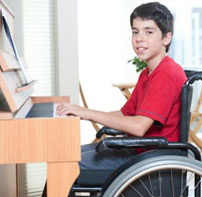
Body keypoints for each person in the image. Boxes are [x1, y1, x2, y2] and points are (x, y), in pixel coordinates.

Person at [57, 2, 187, 171]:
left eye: (148, 32)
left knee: (64, 164)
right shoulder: (148, 73)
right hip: (139, 151)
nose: (139, 38)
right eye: (135, 32)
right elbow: (125, 114)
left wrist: (88, 113)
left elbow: (138, 127)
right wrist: (82, 113)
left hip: (149, 158)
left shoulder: (166, 73)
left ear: (166, 38)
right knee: (65, 155)